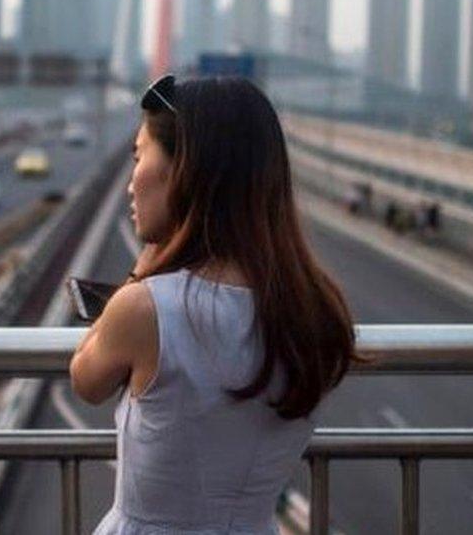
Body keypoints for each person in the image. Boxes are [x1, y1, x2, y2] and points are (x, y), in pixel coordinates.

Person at [70, 75, 359, 534]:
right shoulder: (316, 311)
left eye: (139, 156)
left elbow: (85, 379)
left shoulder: (146, 307)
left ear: (184, 172)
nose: (129, 183)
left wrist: (148, 262)